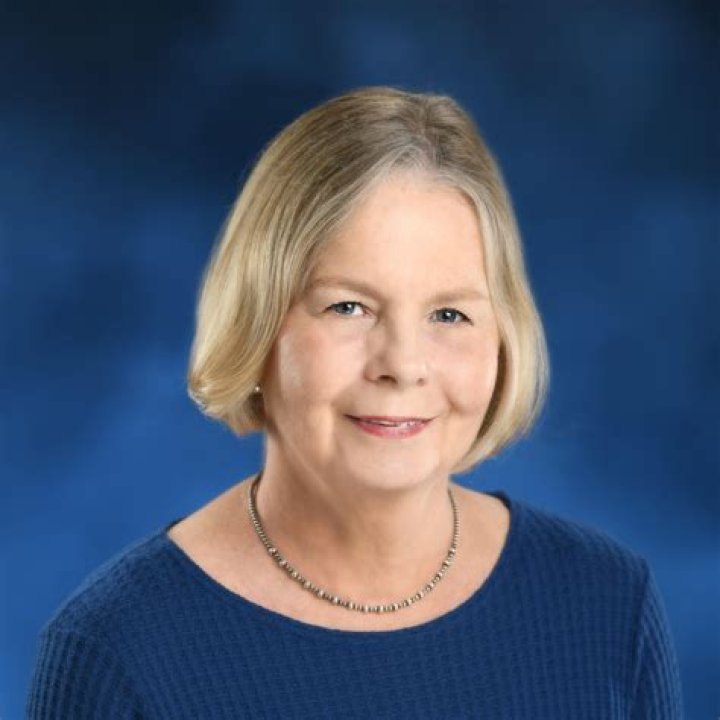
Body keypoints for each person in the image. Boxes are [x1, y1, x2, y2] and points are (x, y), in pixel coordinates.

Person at [26, 86, 684, 718]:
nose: (403, 365)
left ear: (504, 336)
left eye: (449, 314)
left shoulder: (608, 604)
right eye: (348, 307)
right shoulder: (116, 650)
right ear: (257, 325)